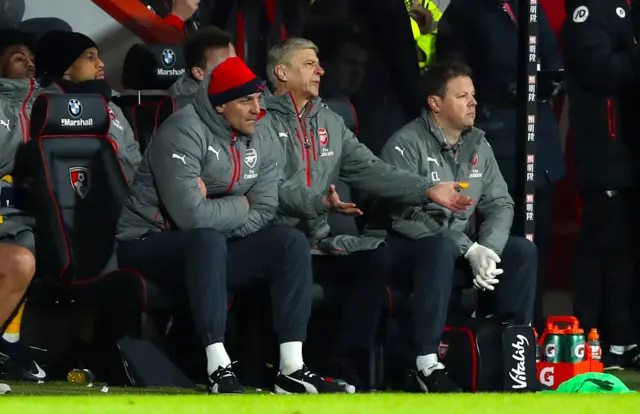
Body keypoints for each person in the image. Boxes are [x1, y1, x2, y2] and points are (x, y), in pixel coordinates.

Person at [116, 57, 344, 395]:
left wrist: (219, 207)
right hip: (150, 242)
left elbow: (265, 206)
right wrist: (241, 202)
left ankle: (292, 369)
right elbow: (191, 217)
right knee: (205, 240)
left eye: (258, 99)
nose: (257, 109)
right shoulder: (182, 132)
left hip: (215, 243)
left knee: (289, 242)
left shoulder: (260, 132)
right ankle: (218, 368)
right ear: (220, 105)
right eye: (246, 101)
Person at [263, 38, 475, 388]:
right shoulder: (261, 120)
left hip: (317, 239)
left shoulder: (329, 120)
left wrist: (426, 189)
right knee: (296, 246)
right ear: (281, 72)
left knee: (374, 256)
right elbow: (268, 187)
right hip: (272, 237)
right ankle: (289, 370)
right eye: (308, 64)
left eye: (319, 62)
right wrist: (320, 202)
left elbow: (371, 169)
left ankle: (345, 361)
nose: (320, 70)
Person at [370, 62, 536, 392]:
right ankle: (426, 364)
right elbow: (404, 217)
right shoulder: (404, 145)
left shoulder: (479, 145)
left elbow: (501, 203)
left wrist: (488, 249)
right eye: (462, 96)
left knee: (521, 251)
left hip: (457, 251)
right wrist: (468, 248)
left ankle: (514, 356)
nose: (473, 102)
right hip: (404, 251)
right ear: (435, 103)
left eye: (473, 95)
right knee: (440, 248)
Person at [436, 0, 566, 333]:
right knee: (499, 247)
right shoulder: (464, 13)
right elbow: (454, 78)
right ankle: (495, 340)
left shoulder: (528, 7)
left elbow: (552, 58)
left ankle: (529, 337)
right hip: (496, 147)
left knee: (536, 250)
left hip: (541, 148)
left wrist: (546, 82)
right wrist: (505, 89)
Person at [563, 0, 640, 370]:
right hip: (605, 152)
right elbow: (600, 71)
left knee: (624, 249)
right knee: (601, 245)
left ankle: (623, 339)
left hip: (627, 151)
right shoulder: (588, 11)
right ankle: (590, 339)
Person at [34, 30, 140, 183]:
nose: (101, 64)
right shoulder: (42, 107)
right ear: (65, 66)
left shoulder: (112, 107)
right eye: (90, 57)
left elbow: (134, 161)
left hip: (126, 199)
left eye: (98, 57)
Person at [0, 29, 44, 383]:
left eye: (31, 57)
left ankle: (8, 340)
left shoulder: (47, 103)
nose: (28, 63)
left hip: (26, 210)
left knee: (29, 245)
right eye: (18, 57)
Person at [168, 25, 236, 97]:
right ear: (198, 73)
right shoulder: (184, 106)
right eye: (225, 65)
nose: (236, 70)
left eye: (236, 62)